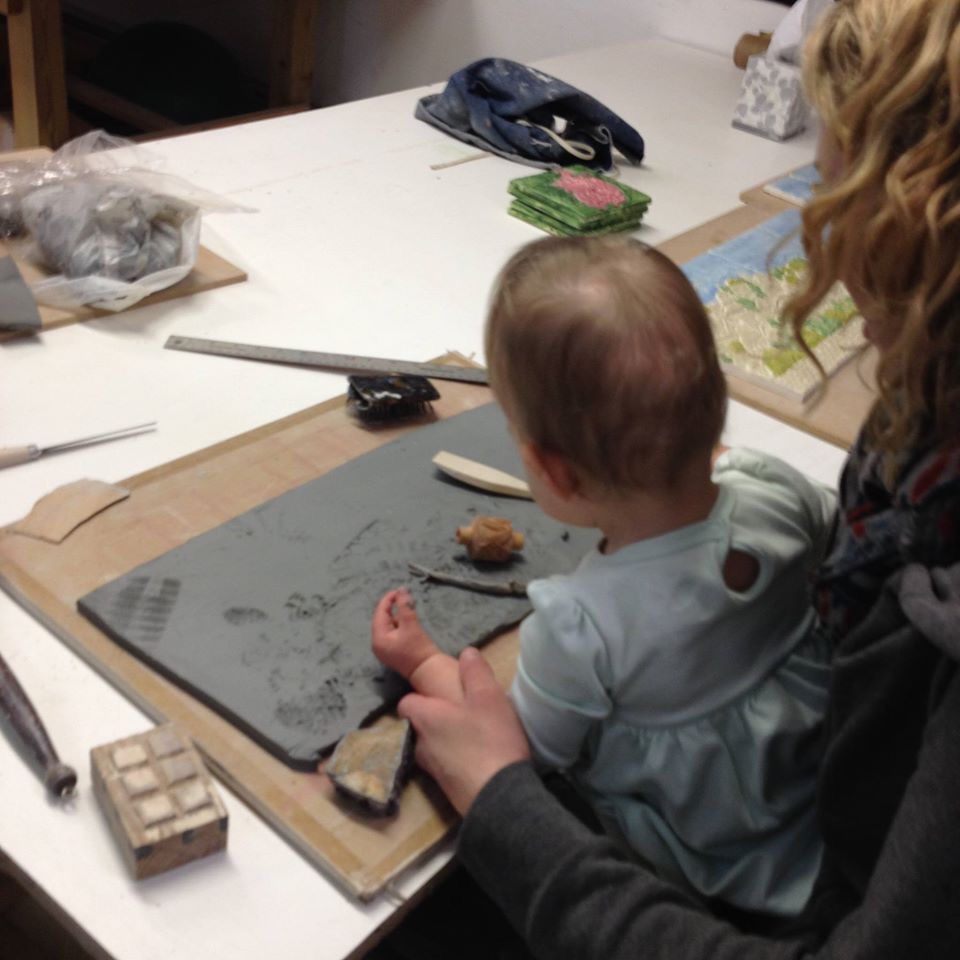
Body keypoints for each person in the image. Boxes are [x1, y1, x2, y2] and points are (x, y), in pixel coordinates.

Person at [389, 1, 960, 956]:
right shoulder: (902, 435)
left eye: (844, 173)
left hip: (742, 896)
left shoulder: (579, 626)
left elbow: (515, 740)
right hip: (806, 841)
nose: (816, 198)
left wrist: (497, 792)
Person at [373, 237, 837, 917]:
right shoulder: (776, 488)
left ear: (554, 474)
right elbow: (835, 534)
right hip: (808, 817)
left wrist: (423, 662)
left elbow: (508, 746)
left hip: (707, 867)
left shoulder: (582, 624)